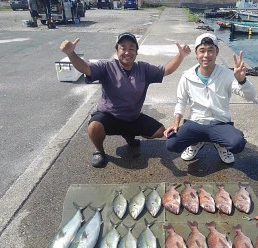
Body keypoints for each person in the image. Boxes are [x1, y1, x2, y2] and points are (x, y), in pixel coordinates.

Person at [60, 33, 191, 168]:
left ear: (136, 52)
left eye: (132, 48)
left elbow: (166, 70)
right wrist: (71, 54)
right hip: (109, 116)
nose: (127, 52)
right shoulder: (106, 66)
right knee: (94, 126)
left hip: (132, 117)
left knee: (159, 131)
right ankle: (99, 151)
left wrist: (180, 56)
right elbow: (86, 69)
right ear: (117, 50)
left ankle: (129, 135)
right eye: (123, 48)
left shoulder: (143, 68)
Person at [164, 33, 256, 164]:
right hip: (195, 123)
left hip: (220, 123)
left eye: (210, 50)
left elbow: (251, 96)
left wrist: (242, 81)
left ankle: (222, 144)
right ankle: (196, 142)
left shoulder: (228, 75)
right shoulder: (187, 76)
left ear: (217, 52)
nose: (206, 55)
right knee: (171, 144)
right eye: (202, 51)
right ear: (196, 53)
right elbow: (181, 101)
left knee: (237, 144)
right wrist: (176, 123)